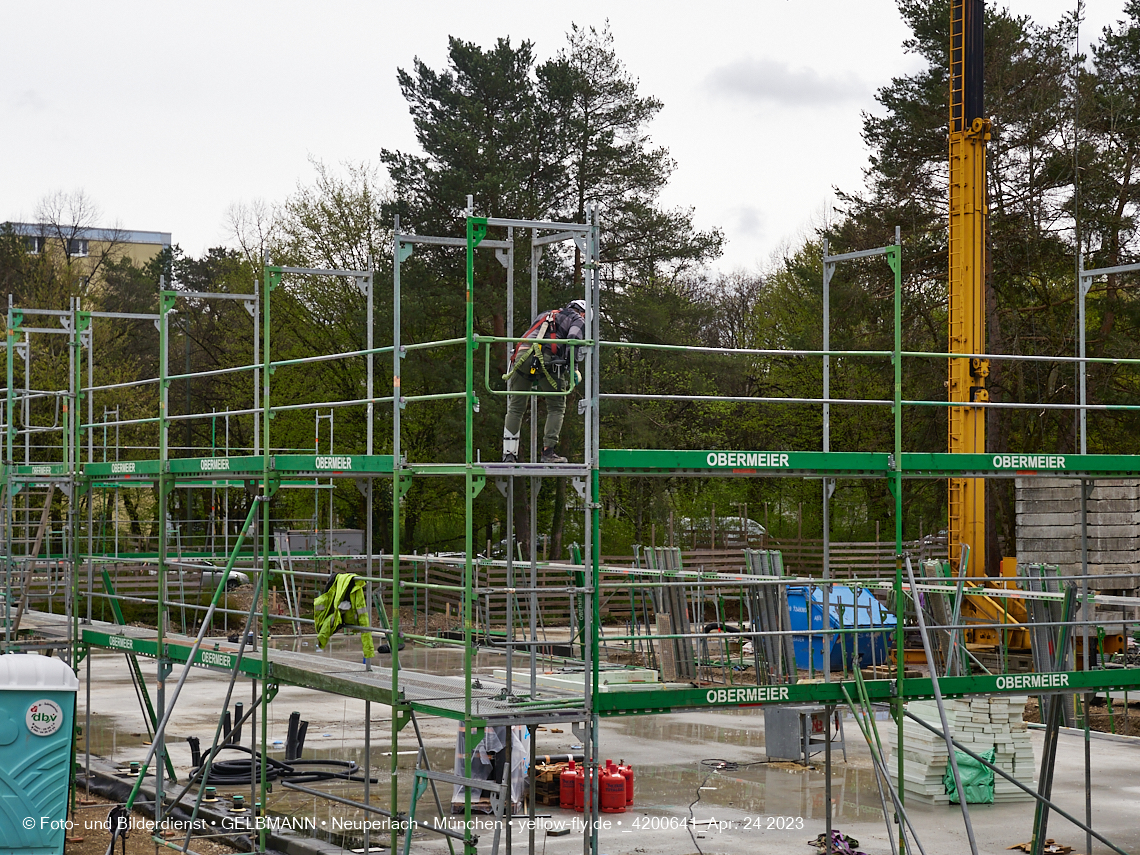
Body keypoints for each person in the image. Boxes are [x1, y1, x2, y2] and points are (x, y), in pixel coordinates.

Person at [502, 299, 588, 464]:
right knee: (556, 406)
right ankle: (548, 452)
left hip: (521, 356)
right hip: (545, 359)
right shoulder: (577, 319)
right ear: (583, 313)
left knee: (515, 408)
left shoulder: (546, 314)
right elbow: (573, 341)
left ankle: (508, 454)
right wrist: (574, 368)